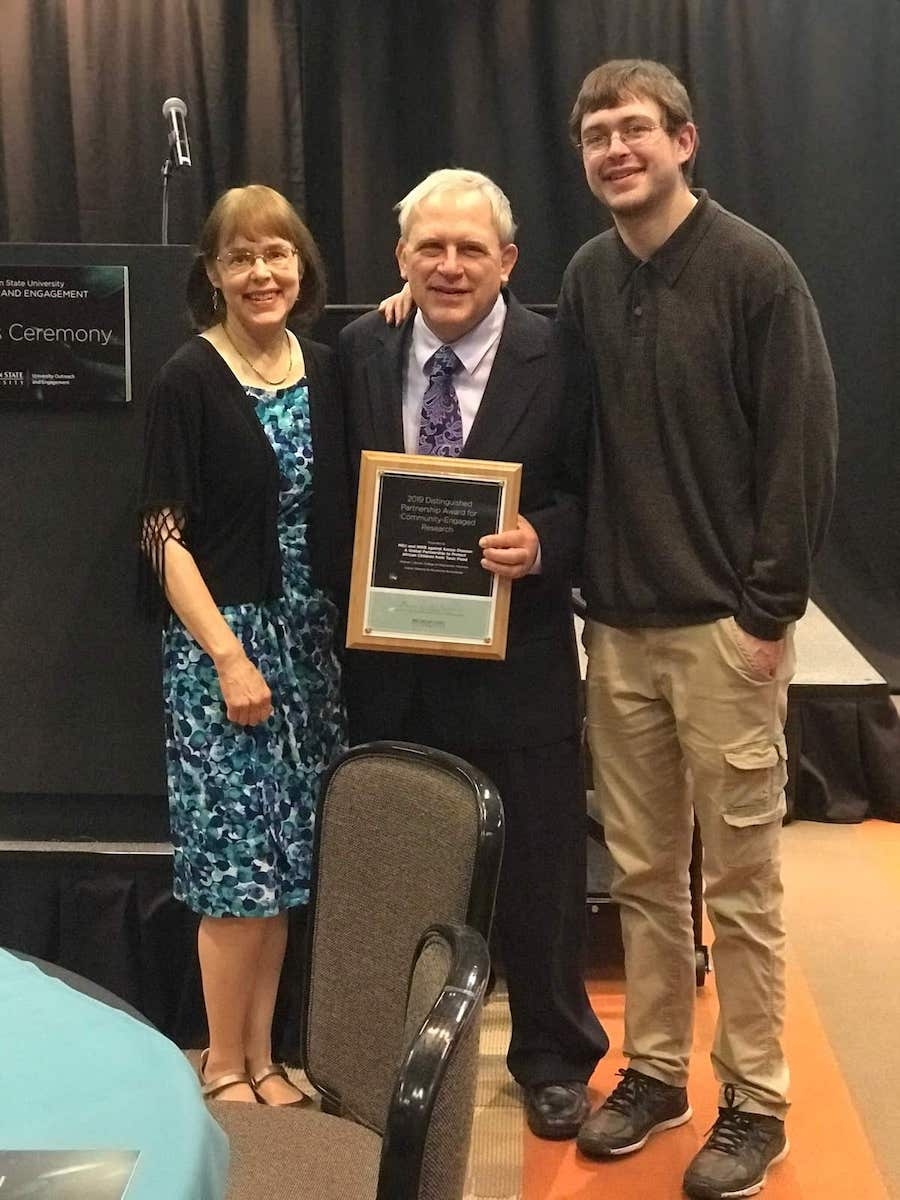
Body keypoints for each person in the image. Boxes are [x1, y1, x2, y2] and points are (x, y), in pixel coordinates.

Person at [557, 60, 837, 1197]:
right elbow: (542, 400)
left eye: (634, 129)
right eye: (596, 136)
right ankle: (657, 1072)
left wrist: (768, 614)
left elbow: (802, 450)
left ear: (686, 139)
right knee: (640, 876)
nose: (615, 149)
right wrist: (409, 316)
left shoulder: (756, 272)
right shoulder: (583, 276)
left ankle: (757, 1100)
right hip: (616, 633)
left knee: (741, 882)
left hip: (725, 630)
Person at [339, 168, 608, 1140]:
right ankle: (377, 1056)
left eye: (470, 248)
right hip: (393, 669)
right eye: (430, 247)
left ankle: (552, 1058)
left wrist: (544, 542)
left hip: (519, 657)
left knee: (540, 870)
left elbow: (590, 495)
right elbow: (340, 499)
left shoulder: (563, 355)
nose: (450, 265)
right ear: (401, 259)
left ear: (509, 260)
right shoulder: (360, 350)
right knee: (403, 866)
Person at [138, 185, 351, 1106]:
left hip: (309, 645)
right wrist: (228, 655)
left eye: (278, 254)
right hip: (224, 651)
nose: (261, 273)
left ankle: (265, 1058)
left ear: (302, 268)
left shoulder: (330, 367)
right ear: (213, 275)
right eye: (240, 258)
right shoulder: (191, 375)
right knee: (236, 871)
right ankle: (224, 1061)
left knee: (283, 864)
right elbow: (157, 536)